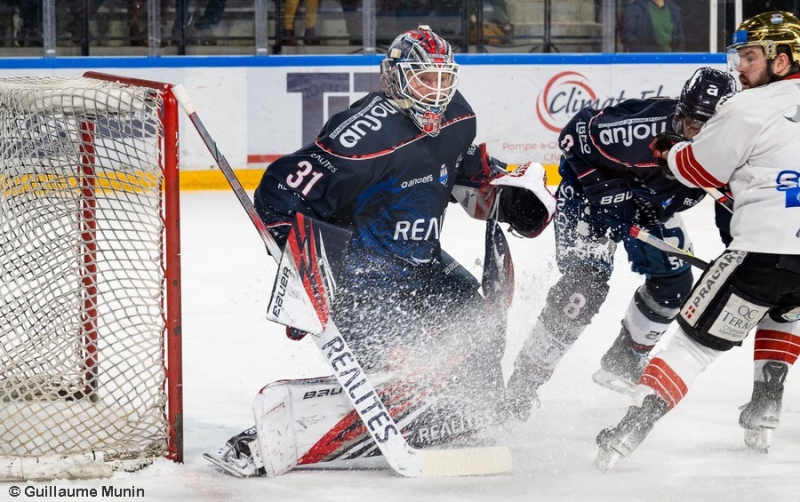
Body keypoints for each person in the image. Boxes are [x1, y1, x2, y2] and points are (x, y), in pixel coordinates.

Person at [204, 25, 556, 477]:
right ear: (395, 78)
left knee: (478, 319)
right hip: (363, 277)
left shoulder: (458, 116)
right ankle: (290, 437)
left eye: (444, 79)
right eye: (425, 80)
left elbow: (454, 165)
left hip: (424, 262)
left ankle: (475, 416)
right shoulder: (363, 137)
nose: (437, 92)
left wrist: (500, 183)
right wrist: (303, 269)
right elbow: (280, 189)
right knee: (395, 371)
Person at [596, 11, 800, 469]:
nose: (740, 67)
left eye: (750, 56)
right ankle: (766, 405)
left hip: (761, 253)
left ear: (782, 61)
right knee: (785, 310)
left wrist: (670, 151)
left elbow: (698, 170)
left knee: (692, 346)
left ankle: (629, 429)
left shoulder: (747, 107)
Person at [504, 66, 738, 422]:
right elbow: (572, 135)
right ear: (680, 114)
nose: (697, 136)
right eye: (691, 124)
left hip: (652, 207)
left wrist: (744, 255)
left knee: (675, 286)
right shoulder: (640, 131)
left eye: (709, 128)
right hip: (590, 200)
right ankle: (521, 387)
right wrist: (602, 188)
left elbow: (733, 210)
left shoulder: (734, 148)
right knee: (581, 291)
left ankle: (625, 357)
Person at [620, 0, 685, 52]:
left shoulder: (674, 10)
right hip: (646, 64)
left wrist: (675, 59)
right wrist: (648, 54)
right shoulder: (635, 9)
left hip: (670, 63)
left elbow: (679, 39)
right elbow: (627, 36)